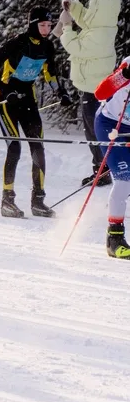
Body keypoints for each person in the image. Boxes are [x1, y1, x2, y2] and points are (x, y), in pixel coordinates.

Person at [0, 7, 72, 218]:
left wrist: (60, 92)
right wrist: (6, 90)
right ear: (33, 24)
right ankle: (7, 201)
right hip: (7, 102)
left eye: (49, 25)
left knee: (38, 148)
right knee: (14, 147)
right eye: (42, 25)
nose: (46, 29)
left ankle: (38, 201)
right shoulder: (16, 43)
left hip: (28, 101)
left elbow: (50, 73)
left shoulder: (47, 46)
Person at [57, 0, 120, 187]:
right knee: (95, 129)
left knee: (94, 131)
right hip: (94, 89)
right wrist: (73, 7)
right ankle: (102, 168)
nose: (91, 11)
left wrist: (66, 26)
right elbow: (87, 19)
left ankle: (102, 170)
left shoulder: (99, 36)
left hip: (94, 92)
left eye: (94, 8)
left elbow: (74, 46)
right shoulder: (103, 27)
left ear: (100, 11)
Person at [91, 58, 130, 258]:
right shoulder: (129, 64)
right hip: (111, 124)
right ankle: (114, 239)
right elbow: (100, 93)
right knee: (125, 179)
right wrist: (124, 76)